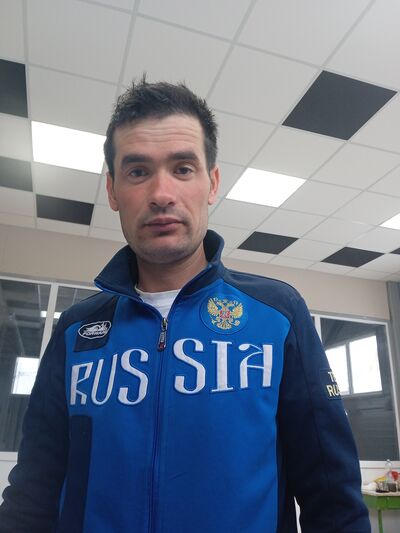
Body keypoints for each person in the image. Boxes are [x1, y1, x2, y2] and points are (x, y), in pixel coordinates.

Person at [0, 78, 370, 533]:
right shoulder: (77, 331)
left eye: (182, 168)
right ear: (112, 191)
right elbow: (32, 493)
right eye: (138, 171)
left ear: (211, 183)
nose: (161, 193)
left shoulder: (278, 315)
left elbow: (333, 499)